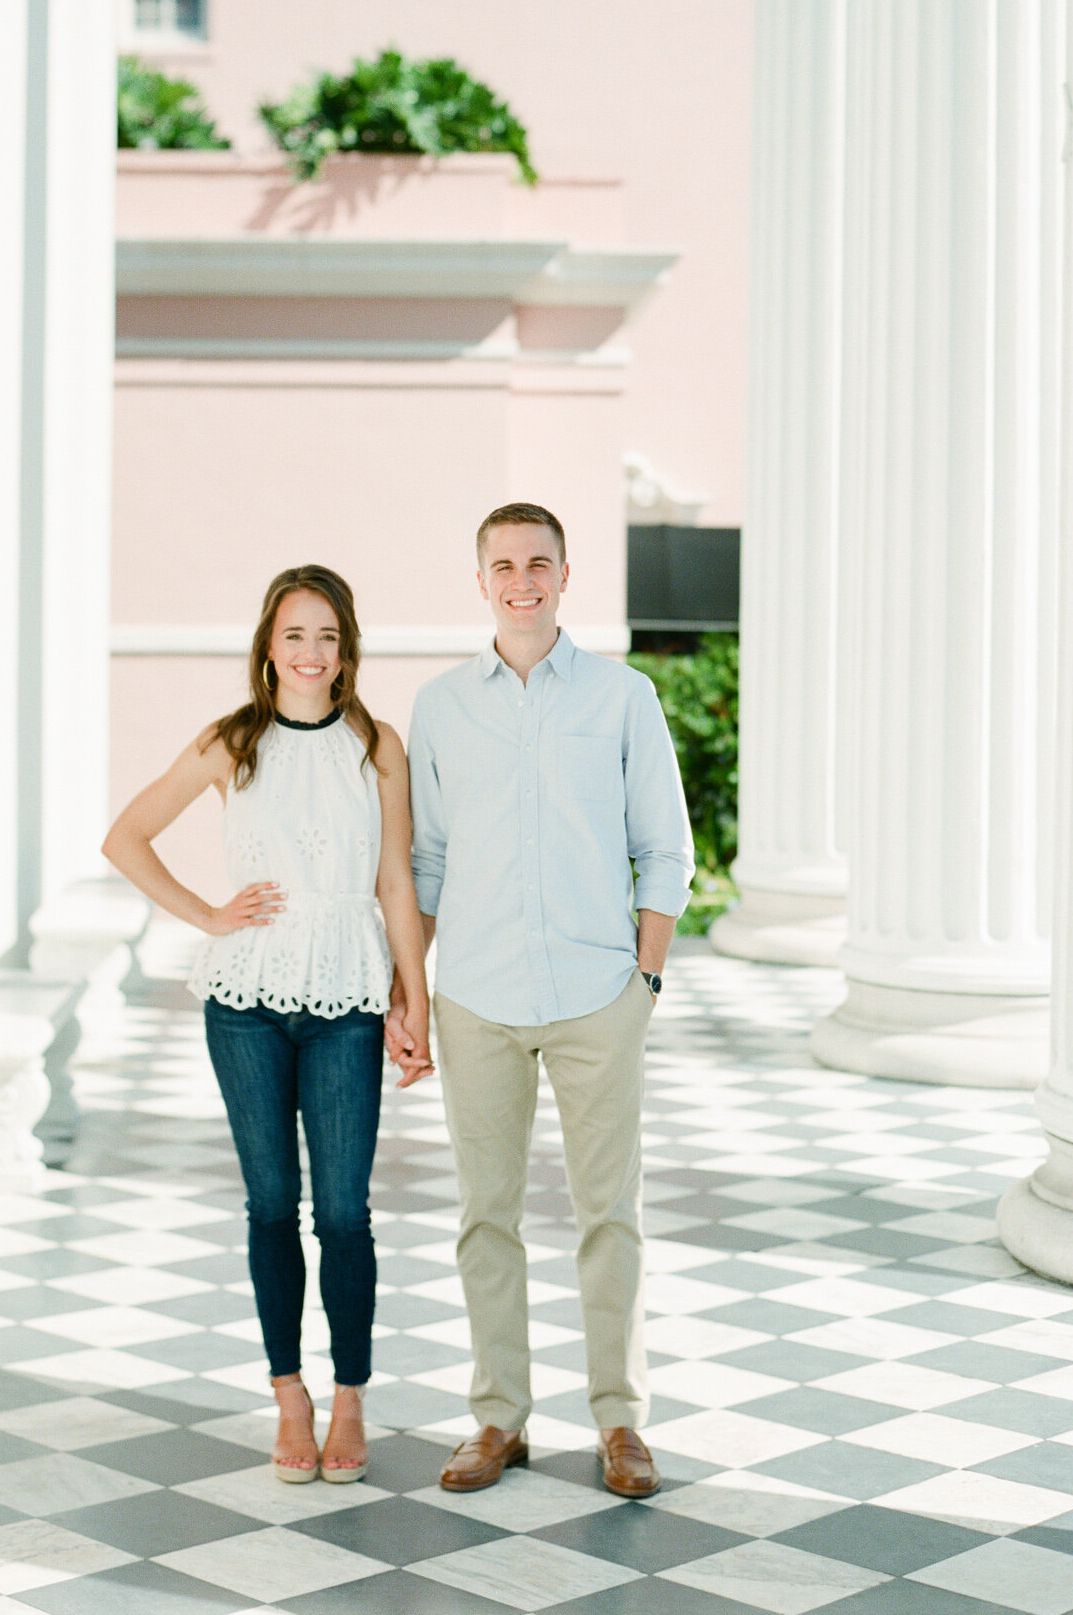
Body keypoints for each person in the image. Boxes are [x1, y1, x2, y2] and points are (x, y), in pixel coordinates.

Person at [386, 503, 693, 1498]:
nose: (522, 579)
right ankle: (498, 1417)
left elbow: (668, 844)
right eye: (503, 564)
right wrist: (415, 994)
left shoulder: (622, 694)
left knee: (611, 1214)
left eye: (539, 563)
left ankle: (620, 1421)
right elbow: (426, 860)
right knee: (488, 1217)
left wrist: (642, 980)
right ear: (481, 580)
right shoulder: (442, 705)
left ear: (567, 574)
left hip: (598, 992)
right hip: (476, 992)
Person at [102, 564, 433, 1484]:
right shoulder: (230, 743)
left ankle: (351, 1397)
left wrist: (417, 1000)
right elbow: (125, 837)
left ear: (347, 647)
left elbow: (397, 881)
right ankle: (289, 1392)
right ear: (268, 646)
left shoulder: (377, 745)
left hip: (349, 1003)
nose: (312, 653)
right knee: (270, 1206)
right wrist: (208, 914)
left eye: (328, 636)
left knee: (344, 1210)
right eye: (295, 635)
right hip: (243, 1003)